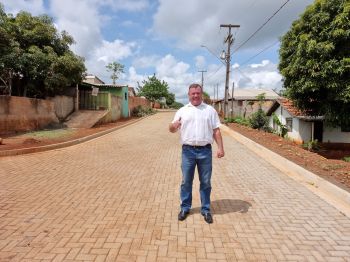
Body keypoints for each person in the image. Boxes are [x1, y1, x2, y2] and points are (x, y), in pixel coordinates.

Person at [169, 83, 224, 224]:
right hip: (188, 151)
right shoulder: (182, 111)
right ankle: (185, 208)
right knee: (186, 181)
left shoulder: (210, 110)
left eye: (197, 93)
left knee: (205, 182)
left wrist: (220, 148)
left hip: (205, 151)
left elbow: (216, 130)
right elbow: (171, 128)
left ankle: (205, 210)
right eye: (192, 93)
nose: (195, 95)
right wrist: (173, 126)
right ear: (189, 95)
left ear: (201, 94)